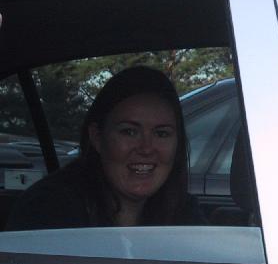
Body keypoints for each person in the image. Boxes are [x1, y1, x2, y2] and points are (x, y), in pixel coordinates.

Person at [6, 66, 206, 230]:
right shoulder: (47, 210)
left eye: (161, 134)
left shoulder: (185, 214)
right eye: (129, 132)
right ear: (97, 137)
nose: (146, 148)